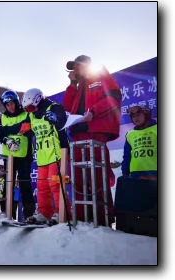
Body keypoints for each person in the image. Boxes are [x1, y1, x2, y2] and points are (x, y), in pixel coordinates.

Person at [62, 55, 121, 226]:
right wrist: (72, 84)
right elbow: (66, 107)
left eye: (78, 66)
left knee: (98, 175)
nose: (75, 70)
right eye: (74, 68)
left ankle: (103, 219)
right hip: (78, 135)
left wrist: (93, 112)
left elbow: (114, 97)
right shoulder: (78, 86)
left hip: (96, 132)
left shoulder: (100, 74)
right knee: (78, 178)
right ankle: (81, 219)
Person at [21, 88, 72, 225]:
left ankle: (63, 213)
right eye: (27, 109)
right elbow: (28, 131)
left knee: (56, 184)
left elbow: (62, 123)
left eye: (31, 107)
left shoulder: (54, 108)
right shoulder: (32, 115)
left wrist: (56, 119)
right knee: (42, 186)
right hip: (42, 156)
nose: (30, 110)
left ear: (38, 100)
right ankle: (44, 213)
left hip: (57, 152)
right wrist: (21, 133)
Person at [0, 90, 36, 221]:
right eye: (7, 105)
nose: (10, 107)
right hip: (9, 156)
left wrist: (10, 130)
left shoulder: (26, 114)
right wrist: (6, 139)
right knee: (8, 185)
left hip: (24, 155)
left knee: (25, 185)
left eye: (12, 104)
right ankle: (6, 213)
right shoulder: (3, 117)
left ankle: (29, 215)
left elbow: (30, 129)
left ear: (16, 102)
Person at [121, 105, 157, 179]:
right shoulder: (130, 135)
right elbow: (127, 156)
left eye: (138, 115)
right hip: (135, 175)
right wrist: (125, 172)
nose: (135, 118)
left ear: (146, 115)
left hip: (154, 173)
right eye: (133, 116)